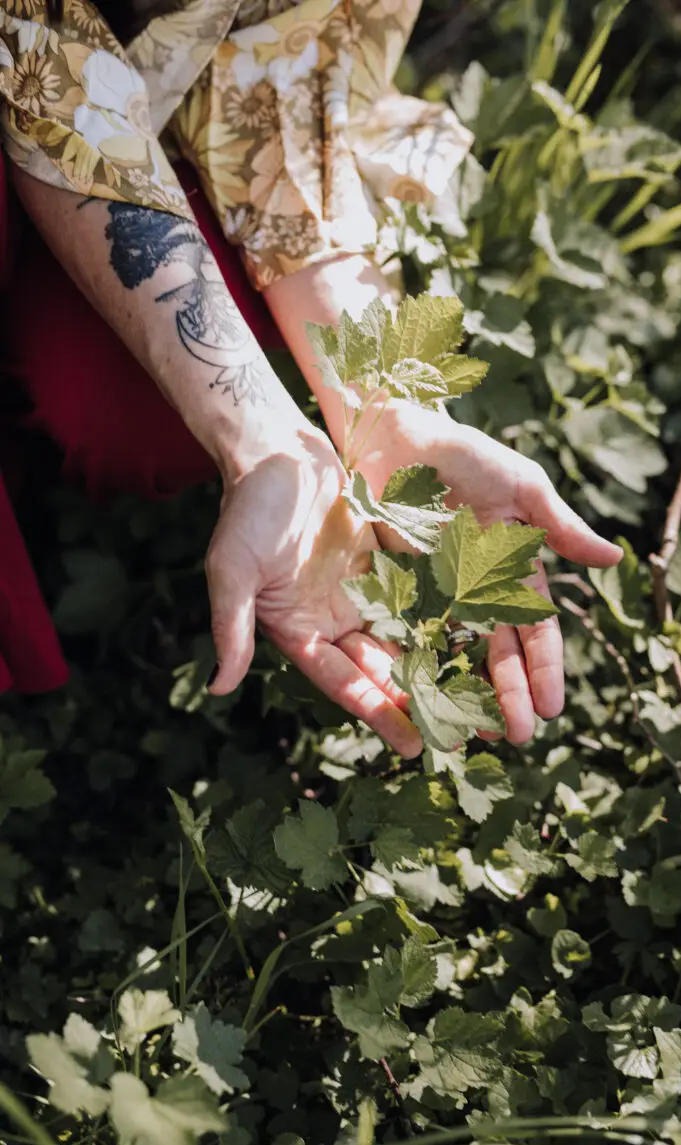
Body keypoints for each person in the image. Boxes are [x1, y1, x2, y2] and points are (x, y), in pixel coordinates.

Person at [0, 0, 622, 758]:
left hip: (135, 93)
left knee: (119, 412)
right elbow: (35, 52)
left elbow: (277, 47)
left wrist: (361, 415)